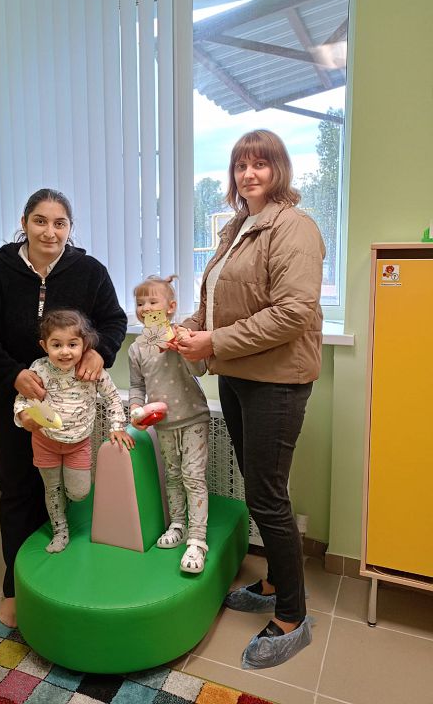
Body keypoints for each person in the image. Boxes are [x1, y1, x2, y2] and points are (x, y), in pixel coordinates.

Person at [171, 130, 325, 668]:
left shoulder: (294, 227)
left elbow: (293, 312)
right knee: (262, 488)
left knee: (266, 496)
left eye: (260, 164)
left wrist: (212, 341)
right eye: (241, 165)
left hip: (276, 381)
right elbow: (218, 300)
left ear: (279, 170)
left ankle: (293, 616)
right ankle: (277, 582)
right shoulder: (238, 226)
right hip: (237, 374)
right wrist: (186, 329)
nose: (248, 174)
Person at [0, 188, 127, 627]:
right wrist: (13, 374)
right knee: (20, 490)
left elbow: (114, 321)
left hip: (72, 409)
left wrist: (100, 352)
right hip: (12, 402)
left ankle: (61, 578)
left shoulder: (90, 271)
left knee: (70, 490)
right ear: (24, 223)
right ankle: (17, 587)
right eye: (40, 221)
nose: (49, 231)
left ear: (70, 228)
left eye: (59, 223)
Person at [14, 309, 134, 554]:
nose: (65, 351)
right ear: (44, 345)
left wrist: (117, 427)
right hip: (45, 441)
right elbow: (23, 399)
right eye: (56, 345)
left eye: (72, 344)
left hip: (78, 444)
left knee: (79, 493)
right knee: (52, 489)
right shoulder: (39, 368)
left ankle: (67, 502)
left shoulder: (92, 370)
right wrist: (23, 415)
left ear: (84, 344)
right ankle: (60, 531)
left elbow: (113, 398)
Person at [128, 275, 211, 573]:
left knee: (193, 477)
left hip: (193, 418)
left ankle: (197, 539)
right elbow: (137, 386)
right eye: (140, 303)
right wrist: (135, 409)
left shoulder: (182, 335)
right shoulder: (137, 348)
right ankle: (177, 524)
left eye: (153, 301)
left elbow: (200, 369)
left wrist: (182, 346)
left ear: (171, 307)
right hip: (163, 424)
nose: (145, 308)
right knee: (173, 475)